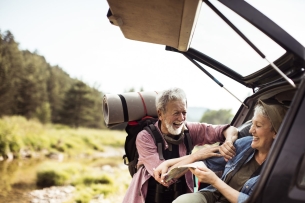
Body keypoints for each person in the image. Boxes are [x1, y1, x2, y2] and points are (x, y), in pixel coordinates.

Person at [122, 87, 239, 203]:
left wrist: (228, 141)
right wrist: (196, 156)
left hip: (181, 195)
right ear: (160, 114)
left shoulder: (190, 130)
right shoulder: (145, 137)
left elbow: (230, 129)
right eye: (176, 113)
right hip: (148, 197)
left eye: (184, 112)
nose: (181, 118)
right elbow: (165, 177)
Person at [168, 100, 288, 203]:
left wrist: (214, 181)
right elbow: (207, 161)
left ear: (276, 132)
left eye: (258, 125)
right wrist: (169, 165)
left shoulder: (282, 170)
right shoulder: (245, 144)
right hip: (213, 196)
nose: (251, 130)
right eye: (252, 124)